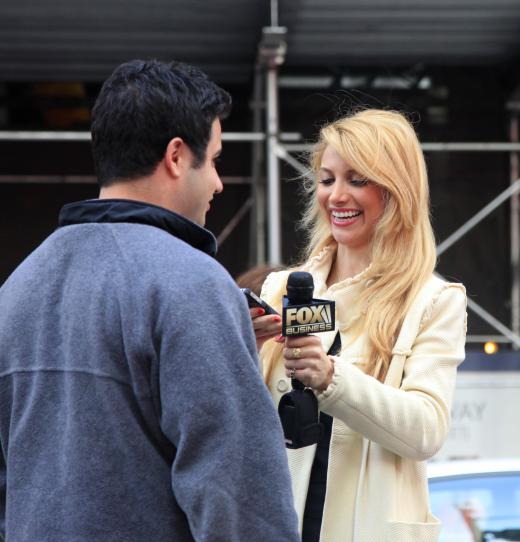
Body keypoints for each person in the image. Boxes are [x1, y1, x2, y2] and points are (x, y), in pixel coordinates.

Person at [0, 60, 300, 542]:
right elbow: (238, 495)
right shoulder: (192, 282)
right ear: (178, 156)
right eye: (217, 159)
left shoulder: (19, 287)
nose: (220, 184)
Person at [252, 109, 467, 542]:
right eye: (327, 179)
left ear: (396, 190)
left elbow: (425, 429)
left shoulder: (434, 300)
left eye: (357, 179)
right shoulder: (280, 287)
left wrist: (332, 377)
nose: (336, 196)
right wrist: (237, 345)